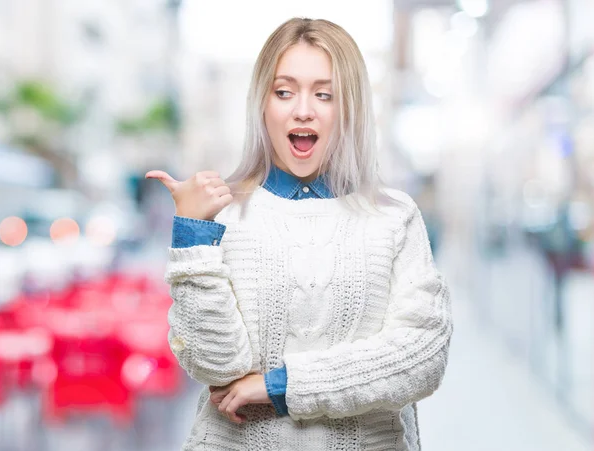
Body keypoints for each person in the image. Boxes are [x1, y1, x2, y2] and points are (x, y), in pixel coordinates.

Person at [146, 17, 452, 451]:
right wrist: (195, 238)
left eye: (324, 94)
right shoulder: (222, 215)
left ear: (350, 109)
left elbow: (421, 356)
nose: (303, 109)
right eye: (284, 91)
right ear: (263, 105)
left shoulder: (394, 216)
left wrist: (282, 386)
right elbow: (217, 367)